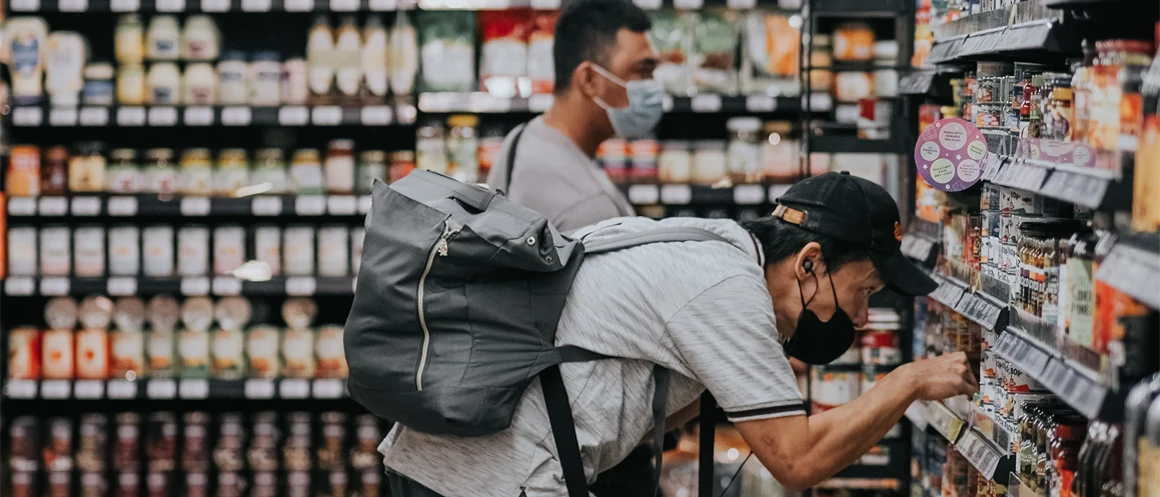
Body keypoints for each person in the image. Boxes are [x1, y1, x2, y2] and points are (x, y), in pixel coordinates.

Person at [380, 171, 979, 497]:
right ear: (810, 263)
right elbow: (797, 462)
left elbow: (635, 392)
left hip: (446, 462)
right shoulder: (725, 289)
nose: (863, 317)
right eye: (866, 291)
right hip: (489, 480)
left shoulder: (707, 245)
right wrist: (908, 381)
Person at [485, 0, 661, 231]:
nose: (653, 86)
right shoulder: (590, 210)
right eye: (643, 71)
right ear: (589, 80)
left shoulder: (523, 137)